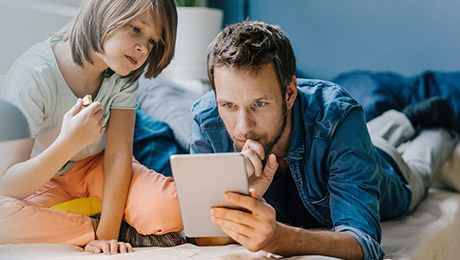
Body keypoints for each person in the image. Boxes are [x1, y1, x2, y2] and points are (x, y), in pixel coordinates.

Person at [190, 21, 459, 259]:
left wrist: (278, 238)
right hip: (353, 145)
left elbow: (365, 243)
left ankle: (438, 128)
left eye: (259, 104)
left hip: (387, 170)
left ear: (289, 93)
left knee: (420, 166)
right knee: (366, 136)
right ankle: (407, 118)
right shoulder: (207, 120)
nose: (243, 127)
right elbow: (203, 235)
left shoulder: (337, 117)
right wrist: (240, 194)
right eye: (228, 105)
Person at [0, 0, 183, 255]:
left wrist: (108, 236)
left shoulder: (123, 74)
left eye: (153, 41)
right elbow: (8, 183)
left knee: (173, 209)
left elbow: (118, 155)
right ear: (103, 12)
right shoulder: (33, 76)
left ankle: (97, 218)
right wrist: (69, 144)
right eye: (136, 29)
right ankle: (95, 223)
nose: (143, 48)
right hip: (44, 178)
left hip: (98, 168)